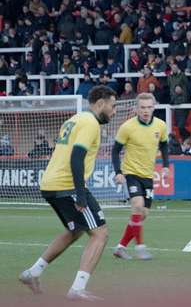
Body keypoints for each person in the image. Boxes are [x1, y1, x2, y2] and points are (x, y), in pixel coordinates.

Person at [19, 85, 117, 301]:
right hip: (67, 185)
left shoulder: (76, 119)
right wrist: (80, 194)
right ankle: (77, 288)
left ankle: (32, 273)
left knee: (76, 230)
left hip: (51, 184)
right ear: (100, 103)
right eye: (112, 105)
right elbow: (76, 157)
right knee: (100, 233)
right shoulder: (90, 123)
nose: (114, 110)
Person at [111, 93, 170, 260]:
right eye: (142, 108)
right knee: (137, 204)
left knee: (142, 213)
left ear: (154, 107)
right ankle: (140, 246)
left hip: (148, 176)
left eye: (149, 107)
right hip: (131, 173)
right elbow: (115, 151)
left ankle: (121, 247)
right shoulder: (127, 127)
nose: (146, 111)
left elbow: (164, 145)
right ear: (137, 109)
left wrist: (165, 166)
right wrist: (118, 172)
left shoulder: (160, 125)